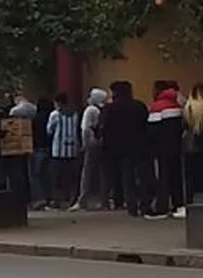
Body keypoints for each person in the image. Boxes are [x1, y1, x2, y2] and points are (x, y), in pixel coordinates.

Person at [100, 81, 150, 217]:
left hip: (120, 148)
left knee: (127, 178)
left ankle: (131, 205)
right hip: (140, 145)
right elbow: (146, 125)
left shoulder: (110, 108)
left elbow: (104, 128)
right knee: (143, 175)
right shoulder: (139, 106)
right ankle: (145, 204)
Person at [147, 82, 186, 218]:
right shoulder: (178, 104)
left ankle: (162, 207)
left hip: (161, 149)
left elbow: (152, 131)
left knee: (163, 177)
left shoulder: (157, 107)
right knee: (177, 176)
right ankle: (179, 204)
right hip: (176, 146)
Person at [47, 92, 82, 209]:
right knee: (72, 177)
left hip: (58, 151)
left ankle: (57, 201)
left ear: (57, 103)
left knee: (56, 177)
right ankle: (72, 199)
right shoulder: (75, 114)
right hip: (73, 150)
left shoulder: (55, 115)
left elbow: (49, 130)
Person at [76, 88, 108, 211]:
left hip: (91, 143)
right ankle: (104, 201)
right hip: (102, 143)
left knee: (87, 172)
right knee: (103, 172)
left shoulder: (90, 110)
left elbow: (85, 128)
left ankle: (82, 200)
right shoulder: (104, 109)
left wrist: (85, 143)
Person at [184, 83, 203, 204]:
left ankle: (189, 199)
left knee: (189, 174)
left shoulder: (188, 107)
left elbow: (184, 125)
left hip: (190, 144)